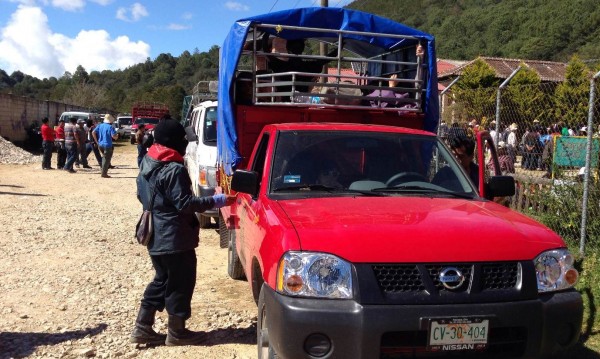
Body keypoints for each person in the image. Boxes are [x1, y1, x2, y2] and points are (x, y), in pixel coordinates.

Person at [131, 120, 236, 346]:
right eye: (183, 140)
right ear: (174, 142)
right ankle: (177, 333)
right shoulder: (174, 169)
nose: (186, 145)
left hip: (153, 233)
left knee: (162, 278)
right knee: (181, 280)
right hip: (174, 236)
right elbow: (185, 204)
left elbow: (141, 196)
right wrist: (215, 200)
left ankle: (142, 327)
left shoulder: (148, 161)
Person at [93, 114, 118, 178]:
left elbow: (93, 132)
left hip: (100, 144)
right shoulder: (110, 127)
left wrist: (97, 141)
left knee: (104, 157)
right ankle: (104, 173)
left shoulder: (100, 125)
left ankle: (103, 171)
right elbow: (114, 136)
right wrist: (117, 136)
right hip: (108, 145)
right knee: (106, 159)